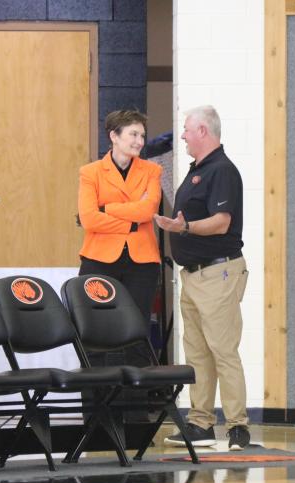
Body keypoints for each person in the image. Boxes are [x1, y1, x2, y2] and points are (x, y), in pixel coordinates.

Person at [154, 105, 250, 450]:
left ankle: (238, 426)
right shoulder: (197, 171)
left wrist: (185, 227)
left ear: (203, 132)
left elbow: (222, 222)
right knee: (197, 353)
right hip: (193, 276)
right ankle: (200, 423)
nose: (182, 135)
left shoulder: (222, 170)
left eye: (186, 129)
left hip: (218, 272)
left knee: (223, 350)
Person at [77, 109, 162, 421]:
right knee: (95, 333)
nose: (139, 141)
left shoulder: (151, 171)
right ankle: (96, 416)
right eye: (133, 135)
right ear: (114, 136)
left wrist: (108, 208)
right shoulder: (90, 172)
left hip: (141, 262)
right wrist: (127, 222)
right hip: (99, 259)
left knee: (136, 333)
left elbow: (147, 210)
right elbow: (88, 218)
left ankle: (136, 417)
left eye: (142, 135)